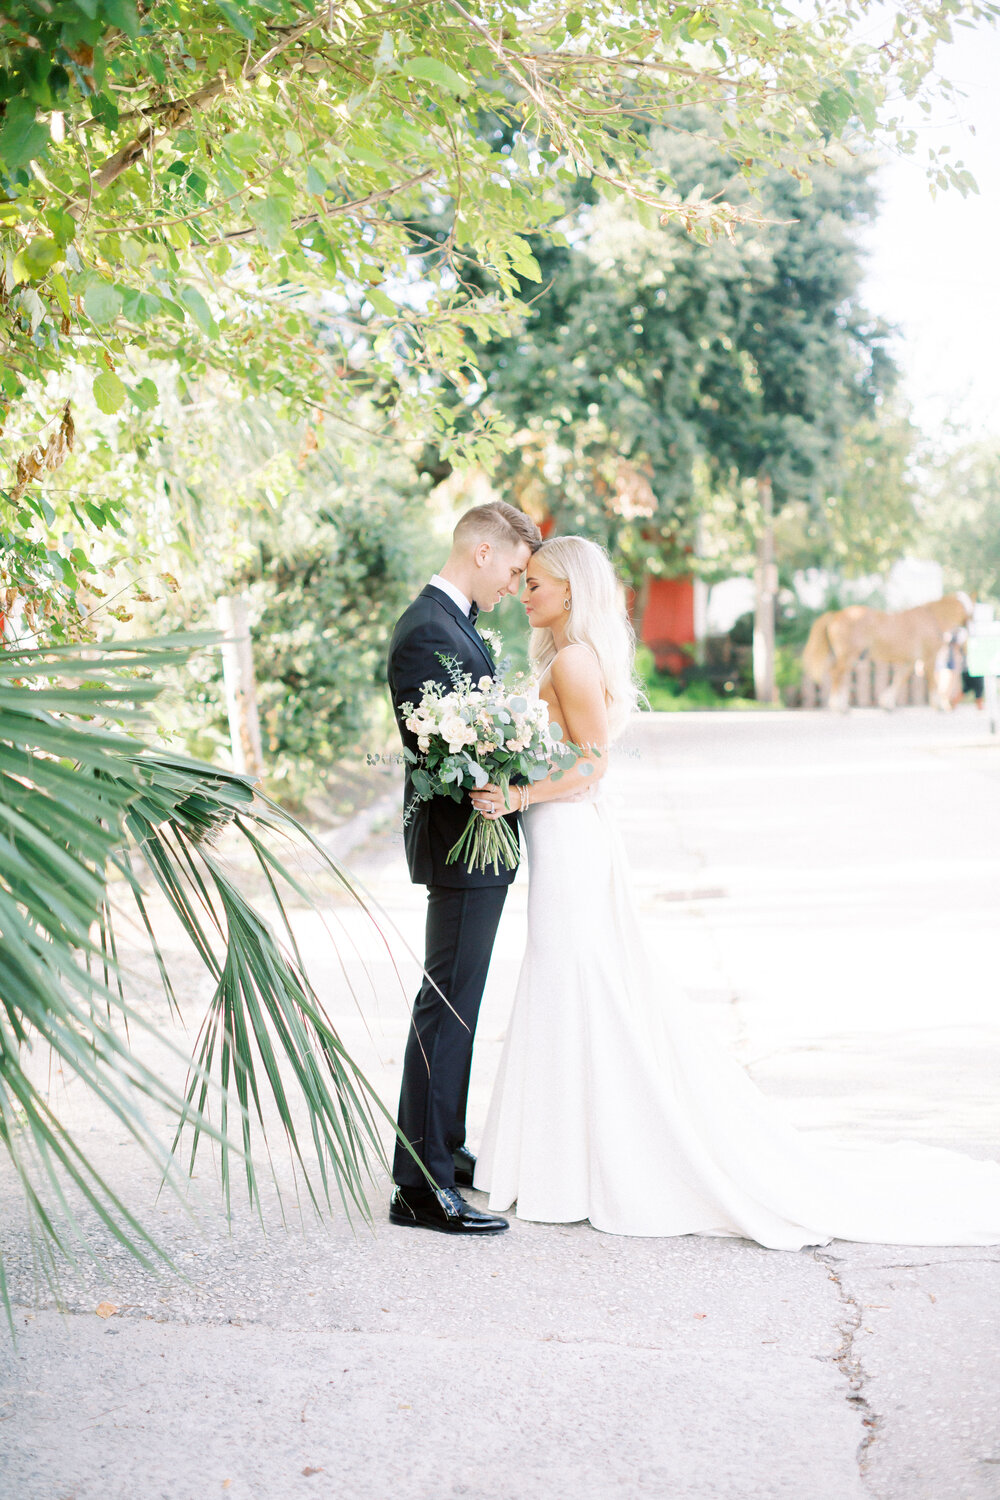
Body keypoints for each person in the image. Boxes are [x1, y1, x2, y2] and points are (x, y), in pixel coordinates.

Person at [469, 536, 1000, 1249]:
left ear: (571, 591)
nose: (525, 592)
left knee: (576, 979)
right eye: (524, 582)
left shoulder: (572, 660)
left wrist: (514, 793)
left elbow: (593, 765)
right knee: (563, 978)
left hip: (568, 832)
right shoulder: (569, 656)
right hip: (563, 836)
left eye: (536, 583)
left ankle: (574, 1165)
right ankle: (560, 1159)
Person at [386, 500, 541, 1236]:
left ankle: (442, 1149)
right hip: (460, 842)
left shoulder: (454, 624)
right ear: (483, 552)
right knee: (445, 1009)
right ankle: (418, 1188)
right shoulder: (426, 630)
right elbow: (433, 750)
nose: (514, 584)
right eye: (513, 569)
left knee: (459, 1007)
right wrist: (497, 773)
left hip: (477, 841)